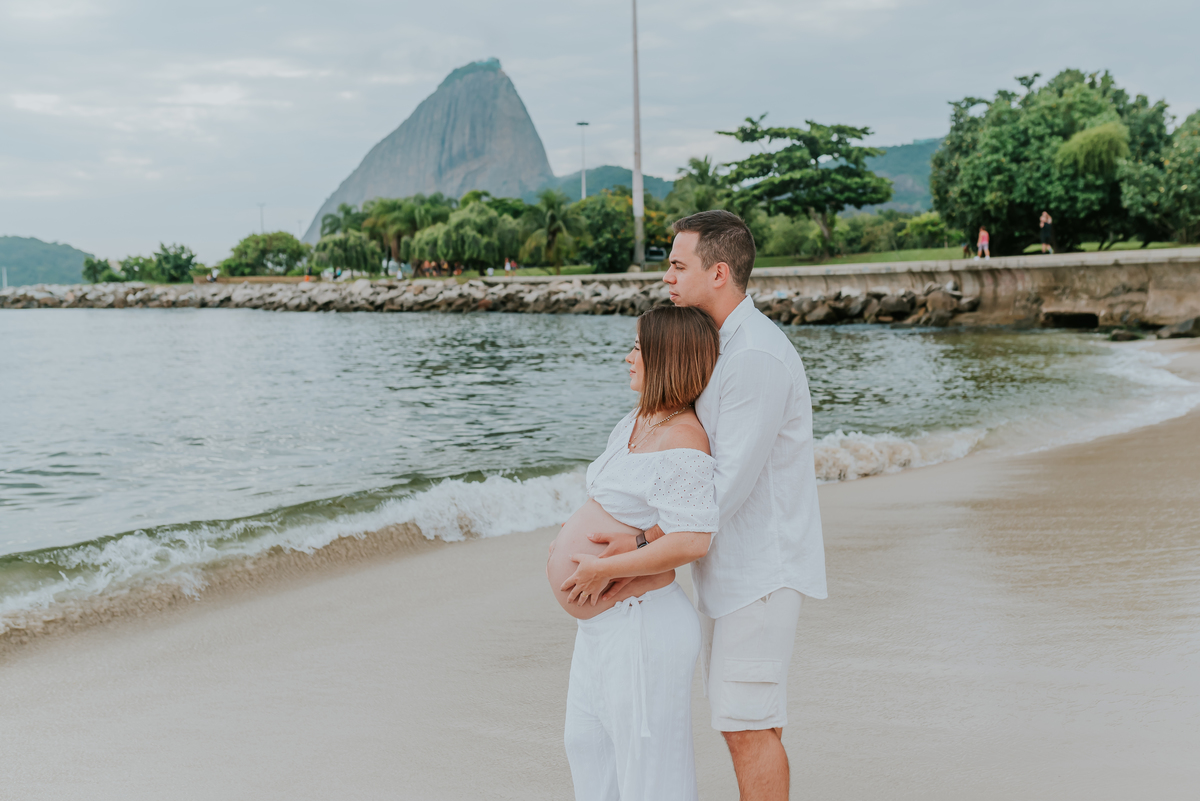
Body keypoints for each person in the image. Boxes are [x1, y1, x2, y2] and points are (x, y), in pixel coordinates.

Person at [580, 210, 827, 801]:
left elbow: (725, 486)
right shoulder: (721, 347)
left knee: (747, 727)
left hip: (760, 573)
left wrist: (641, 543)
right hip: (733, 572)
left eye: (677, 264)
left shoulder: (754, 358)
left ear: (718, 273)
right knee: (748, 719)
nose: (666, 276)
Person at [549, 305, 721, 801]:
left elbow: (692, 539)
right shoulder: (637, 420)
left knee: (648, 772)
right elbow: (619, 506)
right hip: (602, 625)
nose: (628, 357)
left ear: (667, 358)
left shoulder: (684, 440)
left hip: (643, 626)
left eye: (639, 350)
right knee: (587, 745)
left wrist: (603, 566)